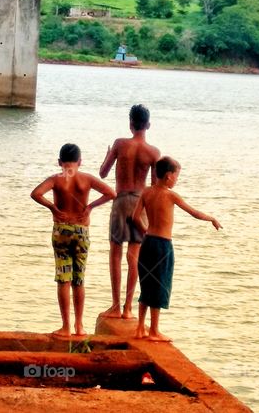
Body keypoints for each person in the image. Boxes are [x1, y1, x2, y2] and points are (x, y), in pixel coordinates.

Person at [131, 157, 222, 342]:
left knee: (147, 283)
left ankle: (140, 328)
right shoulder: (171, 195)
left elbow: (134, 217)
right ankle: (154, 331)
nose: (177, 179)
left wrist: (146, 231)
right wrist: (211, 218)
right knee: (160, 284)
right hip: (162, 245)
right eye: (176, 175)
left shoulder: (146, 192)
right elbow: (193, 212)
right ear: (168, 176)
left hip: (147, 242)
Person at [32, 143, 116, 338]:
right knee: (79, 279)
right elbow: (111, 193)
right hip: (81, 230)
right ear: (80, 161)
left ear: (59, 162)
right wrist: (89, 207)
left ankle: (65, 327)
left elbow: (36, 193)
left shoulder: (56, 179)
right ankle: (79, 327)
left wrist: (53, 208)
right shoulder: (85, 179)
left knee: (64, 279)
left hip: (61, 230)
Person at [99, 105, 160, 319]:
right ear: (148, 125)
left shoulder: (119, 144)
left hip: (120, 199)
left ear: (130, 123)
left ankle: (115, 305)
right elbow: (154, 186)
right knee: (134, 255)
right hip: (140, 203)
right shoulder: (153, 152)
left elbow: (103, 173)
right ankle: (128, 308)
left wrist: (107, 155)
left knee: (115, 253)